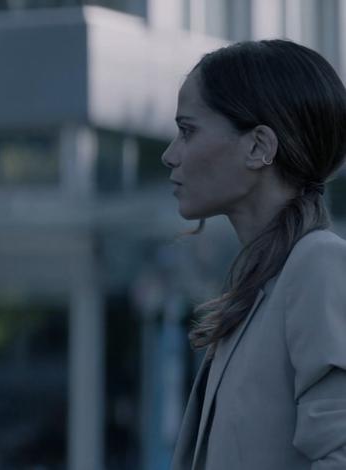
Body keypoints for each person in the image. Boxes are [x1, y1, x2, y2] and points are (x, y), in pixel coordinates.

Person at [163, 39, 346, 469]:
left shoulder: (317, 264)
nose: (170, 155)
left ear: (259, 146)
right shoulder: (260, 287)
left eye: (188, 130)